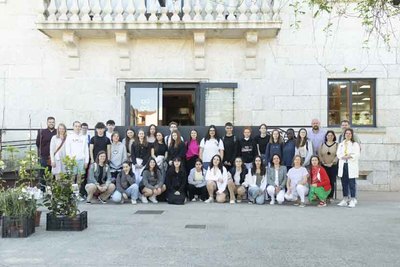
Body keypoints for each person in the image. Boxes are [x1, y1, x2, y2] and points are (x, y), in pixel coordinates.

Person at [337, 128, 360, 208]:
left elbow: (356, 154)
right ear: (344, 134)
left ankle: (353, 199)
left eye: (350, 133)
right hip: (343, 165)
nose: (348, 135)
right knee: (344, 183)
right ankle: (345, 199)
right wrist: (343, 156)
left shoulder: (355, 144)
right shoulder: (341, 144)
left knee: (352, 183)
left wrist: (349, 156)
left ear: (352, 135)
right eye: (346, 133)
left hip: (351, 165)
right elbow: (338, 154)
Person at [65, 121, 89, 188]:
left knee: (80, 179)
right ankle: (72, 194)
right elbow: (67, 150)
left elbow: (86, 150)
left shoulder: (84, 137)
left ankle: (78, 194)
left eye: (79, 126)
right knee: (72, 178)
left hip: (81, 160)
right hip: (72, 161)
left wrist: (86, 161)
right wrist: (70, 160)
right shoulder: (69, 137)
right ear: (73, 127)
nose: (77, 128)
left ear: (80, 127)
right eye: (76, 126)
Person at [36, 116, 56, 191]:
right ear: (47, 123)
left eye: (53, 122)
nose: (51, 123)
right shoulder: (42, 132)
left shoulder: (57, 132)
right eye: (50, 122)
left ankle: (53, 190)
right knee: (43, 173)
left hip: (54, 157)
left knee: (54, 173)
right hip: (44, 156)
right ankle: (42, 190)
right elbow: (38, 143)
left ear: (55, 123)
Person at [318, 130, 338, 201]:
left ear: (333, 137)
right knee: (324, 181)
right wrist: (323, 162)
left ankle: (330, 196)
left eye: (331, 135)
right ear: (326, 136)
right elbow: (319, 154)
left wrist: (332, 163)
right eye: (328, 135)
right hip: (324, 165)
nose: (330, 137)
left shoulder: (336, 144)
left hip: (333, 166)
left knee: (331, 181)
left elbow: (337, 155)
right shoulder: (322, 144)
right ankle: (324, 195)